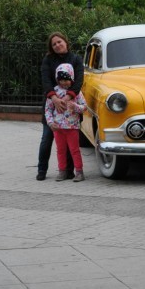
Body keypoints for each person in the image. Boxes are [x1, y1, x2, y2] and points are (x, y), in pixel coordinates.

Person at [36, 32, 84, 181]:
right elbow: (45, 80)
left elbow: (79, 80)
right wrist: (55, 98)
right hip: (52, 104)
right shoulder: (48, 60)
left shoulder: (76, 59)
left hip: (71, 106)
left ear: (65, 41)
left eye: (59, 42)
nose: (57, 45)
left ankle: (69, 171)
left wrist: (68, 98)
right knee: (47, 139)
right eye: (54, 44)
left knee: (70, 144)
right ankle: (42, 170)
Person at [45, 63, 87, 182]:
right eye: (61, 80)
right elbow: (48, 109)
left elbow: (84, 107)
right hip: (58, 127)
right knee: (61, 150)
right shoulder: (54, 92)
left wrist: (75, 107)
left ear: (72, 78)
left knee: (74, 150)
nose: (64, 82)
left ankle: (79, 171)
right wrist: (50, 122)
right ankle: (62, 171)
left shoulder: (76, 92)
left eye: (66, 80)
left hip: (72, 126)